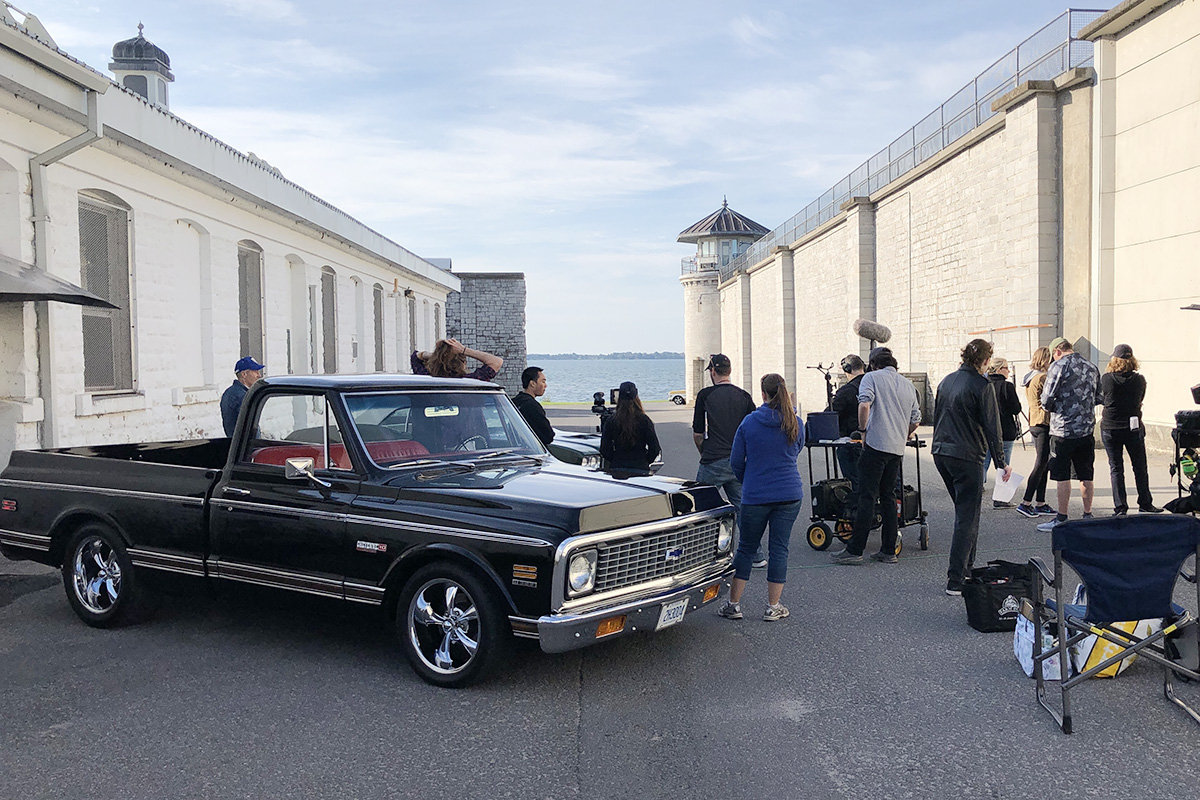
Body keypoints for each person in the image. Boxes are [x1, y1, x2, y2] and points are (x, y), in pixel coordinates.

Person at [716, 374, 805, 622]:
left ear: (762, 394)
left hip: (756, 494)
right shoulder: (795, 422)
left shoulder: (749, 423)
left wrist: (750, 479)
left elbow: (735, 461)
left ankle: (733, 604)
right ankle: (773, 605)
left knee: (745, 548)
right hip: (789, 492)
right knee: (779, 549)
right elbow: (796, 450)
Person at [932, 339, 1012, 595]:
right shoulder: (982, 385)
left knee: (966, 511)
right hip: (966, 454)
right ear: (987, 361)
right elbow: (992, 426)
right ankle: (956, 578)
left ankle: (967, 569)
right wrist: (1001, 462)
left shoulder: (947, 380)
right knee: (967, 516)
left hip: (942, 451)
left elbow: (937, 416)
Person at [831, 347, 921, 566]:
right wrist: (904, 434)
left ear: (872, 364)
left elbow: (864, 404)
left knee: (867, 496)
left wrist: (862, 430)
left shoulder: (870, 378)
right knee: (889, 496)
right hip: (896, 449)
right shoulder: (907, 384)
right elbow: (916, 418)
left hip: (875, 445)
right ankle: (888, 550)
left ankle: (855, 550)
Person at [692, 353, 763, 567]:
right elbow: (753, 428)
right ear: (729, 371)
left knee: (701, 509)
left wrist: (704, 451)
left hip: (713, 459)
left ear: (713, 371)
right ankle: (756, 555)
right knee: (743, 509)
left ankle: (698, 557)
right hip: (738, 461)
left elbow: (697, 433)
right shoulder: (743, 396)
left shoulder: (705, 395)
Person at [1037, 337, 1101, 532]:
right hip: (1087, 429)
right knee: (1086, 473)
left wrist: (1057, 406)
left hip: (1063, 430)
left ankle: (1062, 517)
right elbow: (1099, 397)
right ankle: (1087, 514)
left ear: (1057, 351)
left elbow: (1046, 399)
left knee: (1062, 475)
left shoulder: (1058, 367)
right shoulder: (1091, 366)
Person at [1099, 344, 1163, 515]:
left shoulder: (1107, 379)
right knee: (1140, 466)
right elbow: (1140, 399)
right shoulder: (1139, 380)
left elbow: (1103, 398)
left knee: (1116, 467)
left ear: (1114, 359)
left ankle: (1121, 506)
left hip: (1111, 427)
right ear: (1132, 359)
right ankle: (1145, 502)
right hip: (1133, 427)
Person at [1014, 347, 1056, 518]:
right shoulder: (1043, 377)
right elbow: (1050, 399)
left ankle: (1040, 502)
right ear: (1045, 360)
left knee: (1044, 463)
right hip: (1043, 421)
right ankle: (1026, 502)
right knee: (1041, 463)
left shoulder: (1030, 377)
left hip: (1034, 421)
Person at [830, 354, 866, 519]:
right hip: (874, 442)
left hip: (850, 443)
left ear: (847, 369)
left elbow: (831, 414)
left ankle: (855, 514)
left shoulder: (846, 391)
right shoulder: (873, 385)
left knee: (854, 480)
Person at [983, 356, 1022, 504]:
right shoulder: (1007, 386)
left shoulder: (984, 384)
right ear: (999, 369)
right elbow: (1016, 409)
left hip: (986, 430)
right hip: (1005, 430)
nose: (1009, 371)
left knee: (984, 462)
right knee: (1003, 464)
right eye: (1006, 368)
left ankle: (978, 488)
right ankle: (1000, 498)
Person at [599, 381, 661, 475]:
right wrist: (644, 460)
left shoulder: (612, 420)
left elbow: (605, 449)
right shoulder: (644, 420)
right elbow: (655, 448)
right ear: (636, 397)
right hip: (640, 467)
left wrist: (615, 459)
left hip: (618, 467)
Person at [412, 337, 503, 381]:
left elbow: (416, 356)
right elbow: (496, 362)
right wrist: (464, 350)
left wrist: (439, 356)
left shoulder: (425, 380)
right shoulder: (471, 383)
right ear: (463, 364)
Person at [220, 356, 264, 437]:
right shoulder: (241, 396)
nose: (259, 375)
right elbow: (251, 425)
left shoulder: (231, 392)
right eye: (255, 371)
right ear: (244, 374)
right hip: (246, 445)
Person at [512, 366, 554, 446]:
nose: (545, 386)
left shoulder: (514, 402)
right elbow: (548, 436)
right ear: (532, 383)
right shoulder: (532, 405)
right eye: (543, 381)